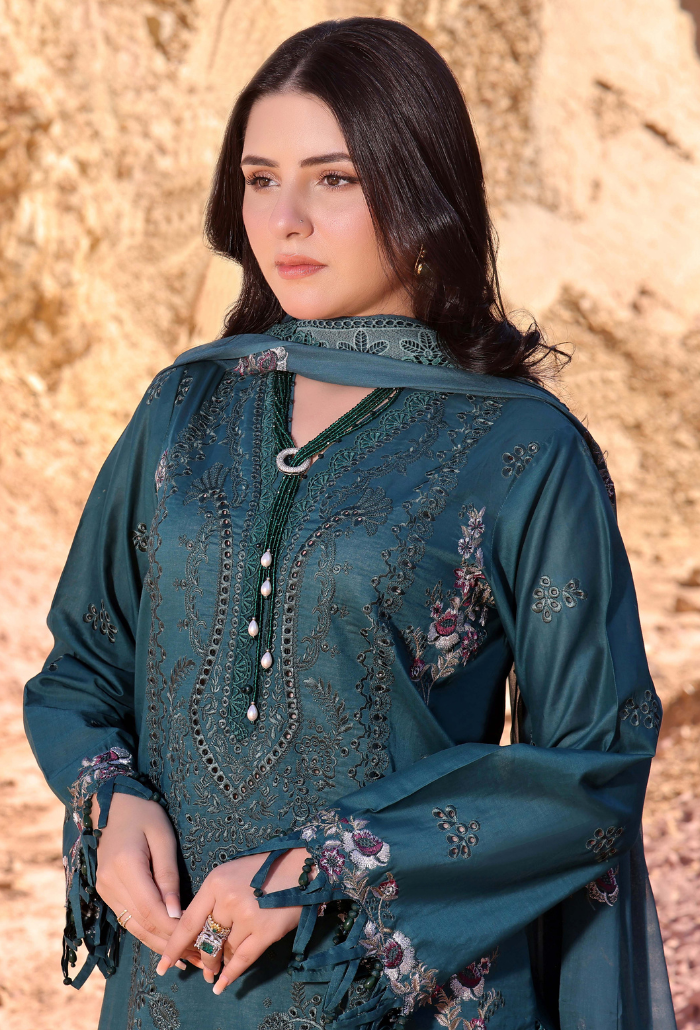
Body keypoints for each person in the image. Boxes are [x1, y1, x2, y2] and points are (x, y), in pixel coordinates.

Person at [24, 17, 676, 1030]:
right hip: (175, 985)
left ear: (422, 189)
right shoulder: (185, 408)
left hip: (397, 996)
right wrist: (110, 803)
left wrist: (325, 866)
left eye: (334, 179)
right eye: (259, 178)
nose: (285, 220)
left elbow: (593, 765)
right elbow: (82, 667)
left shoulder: (521, 446)